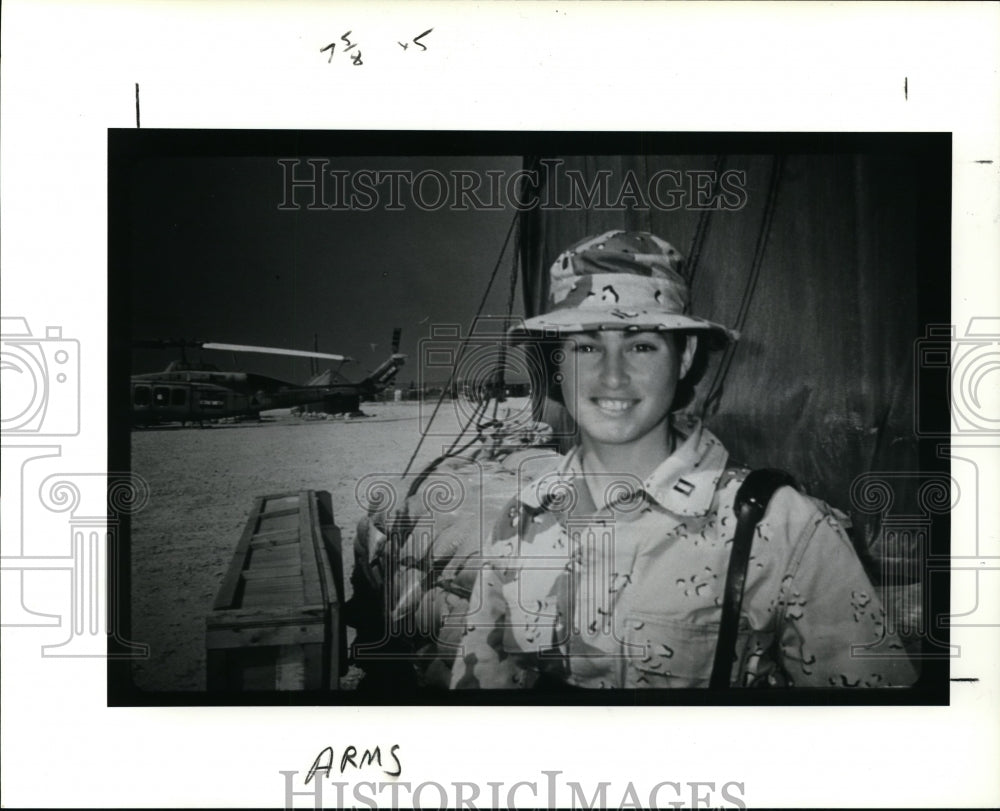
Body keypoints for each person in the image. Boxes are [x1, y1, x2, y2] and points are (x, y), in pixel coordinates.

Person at [449, 230, 917, 689]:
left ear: (685, 355)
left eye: (642, 346)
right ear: (556, 363)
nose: (613, 376)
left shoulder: (783, 527)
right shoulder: (524, 519)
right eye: (586, 346)